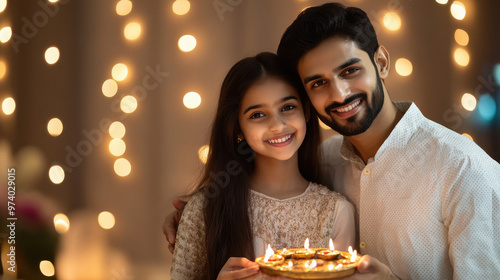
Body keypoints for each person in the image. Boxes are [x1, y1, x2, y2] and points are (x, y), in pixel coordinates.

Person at [166, 3, 500, 279]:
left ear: (380, 63)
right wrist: (199, 212)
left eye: (350, 71)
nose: (339, 93)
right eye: (317, 83)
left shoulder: (464, 171)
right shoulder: (325, 160)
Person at [169, 52, 356, 280]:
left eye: (287, 107)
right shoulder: (204, 210)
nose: (277, 125)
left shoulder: (336, 211)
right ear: (237, 128)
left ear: (306, 111)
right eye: (258, 114)